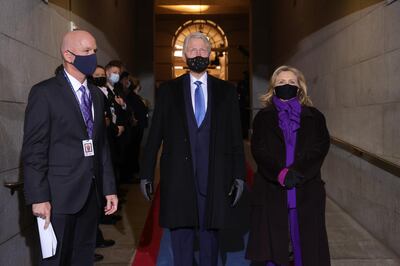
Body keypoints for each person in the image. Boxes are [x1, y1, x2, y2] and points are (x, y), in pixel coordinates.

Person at [139, 32, 246, 266]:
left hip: (215, 178)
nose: (198, 54)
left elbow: (235, 138)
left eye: (203, 50)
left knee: (211, 241)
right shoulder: (168, 91)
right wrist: (146, 173)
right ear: (185, 54)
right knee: (181, 240)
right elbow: (155, 135)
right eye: (193, 50)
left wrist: (239, 176)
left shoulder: (226, 92)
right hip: (179, 179)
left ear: (210, 54)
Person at [22, 30, 118, 266]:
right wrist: (39, 197)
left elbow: (101, 146)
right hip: (57, 198)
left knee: (83, 258)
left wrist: (109, 188)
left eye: (94, 51)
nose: (92, 56)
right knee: (55, 261)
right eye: (86, 51)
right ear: (68, 54)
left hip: (90, 196)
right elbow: (34, 150)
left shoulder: (96, 95)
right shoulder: (44, 93)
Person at [245, 65, 331, 266]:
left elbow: (321, 146)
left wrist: (297, 171)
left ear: (300, 87)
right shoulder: (263, 118)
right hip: (272, 189)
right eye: (281, 82)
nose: (287, 85)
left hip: (306, 188)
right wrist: (280, 173)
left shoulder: (315, 116)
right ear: (273, 87)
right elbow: (258, 150)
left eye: (292, 82)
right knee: (275, 245)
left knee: (307, 245)